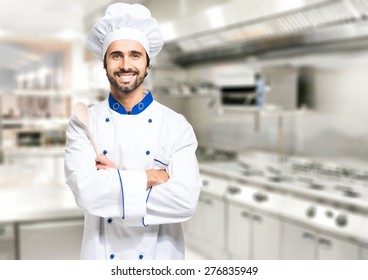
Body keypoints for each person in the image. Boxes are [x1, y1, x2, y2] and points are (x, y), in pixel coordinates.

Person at [64, 3, 202, 260]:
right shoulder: (84, 121)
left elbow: (185, 201)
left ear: (147, 63)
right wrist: (152, 176)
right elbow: (87, 193)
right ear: (104, 63)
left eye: (135, 55)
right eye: (116, 55)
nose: (126, 65)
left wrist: (116, 179)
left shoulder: (176, 125)